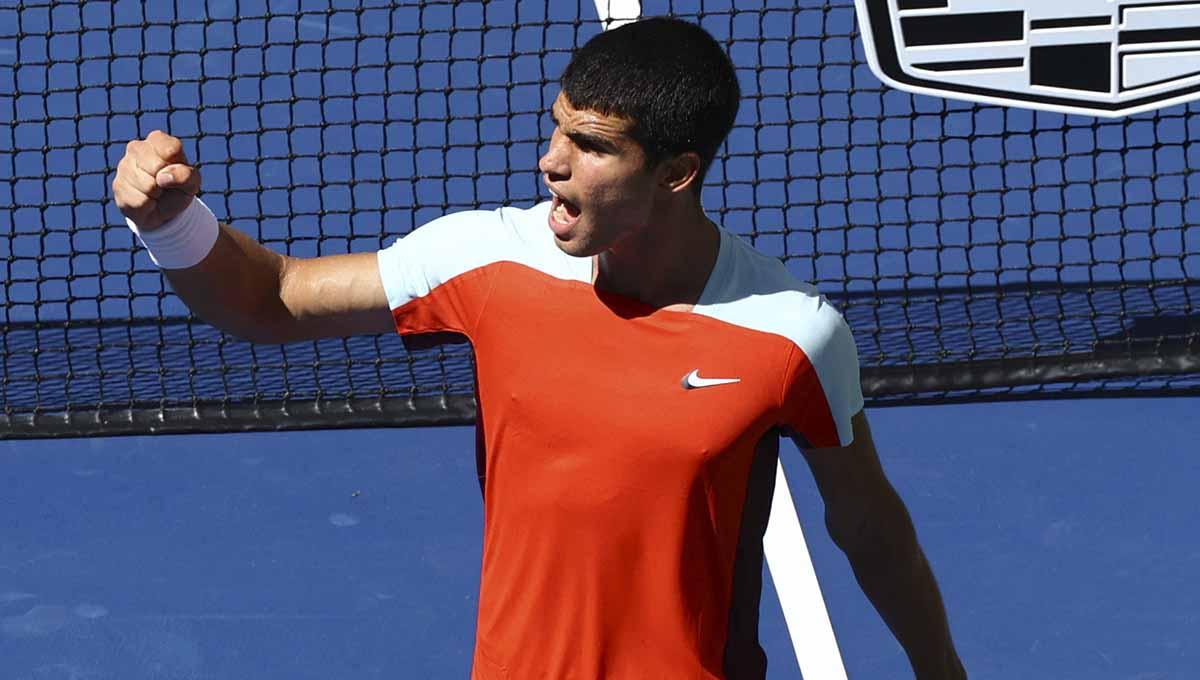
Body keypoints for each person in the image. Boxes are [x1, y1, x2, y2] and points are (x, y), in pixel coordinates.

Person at [113, 17, 966, 680]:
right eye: (558, 129)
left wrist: (941, 673)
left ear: (676, 173)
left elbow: (870, 527)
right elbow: (273, 299)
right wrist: (173, 224)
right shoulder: (489, 258)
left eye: (591, 147)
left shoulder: (791, 334)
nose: (550, 162)